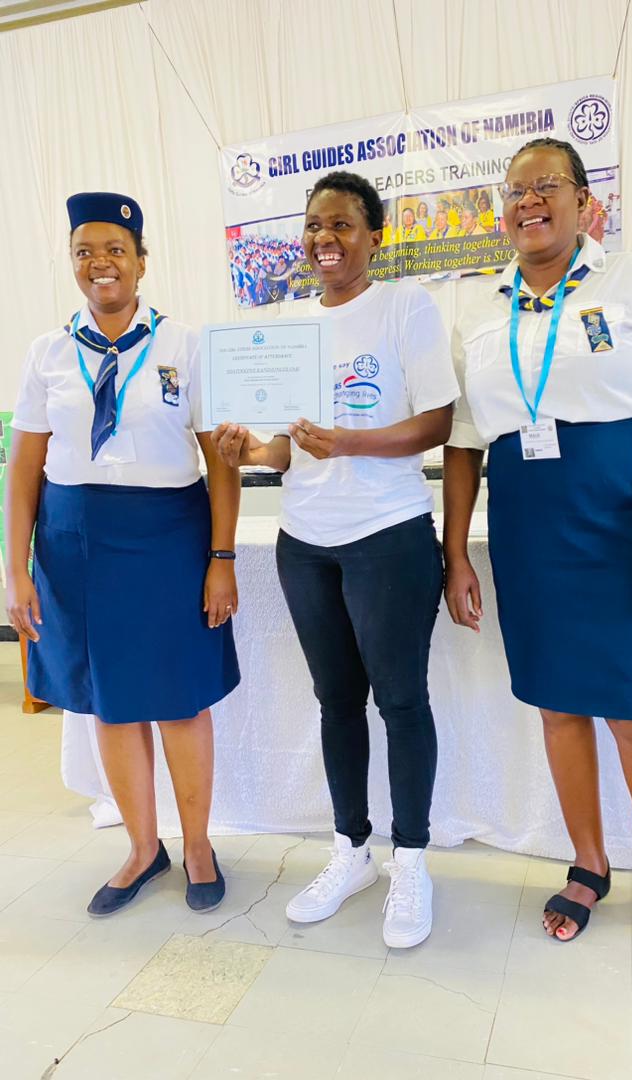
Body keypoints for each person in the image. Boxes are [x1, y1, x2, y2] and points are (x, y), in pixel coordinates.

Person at [443, 138, 632, 966]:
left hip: (624, 515)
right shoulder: (479, 307)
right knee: (559, 705)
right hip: (528, 526)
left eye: (547, 186)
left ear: (583, 201)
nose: (529, 201)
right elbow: (464, 440)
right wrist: (456, 553)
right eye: (516, 190)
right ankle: (589, 864)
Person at [213, 171, 459, 949]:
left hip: (387, 534)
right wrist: (252, 451)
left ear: (373, 237)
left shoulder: (406, 308)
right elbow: (288, 447)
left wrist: (350, 442)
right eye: (315, 226)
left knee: (402, 702)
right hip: (306, 543)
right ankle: (351, 850)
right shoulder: (290, 326)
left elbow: (437, 423)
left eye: (343, 225)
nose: (325, 238)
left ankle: (410, 860)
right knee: (336, 702)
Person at [6, 192, 240, 917]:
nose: (99, 263)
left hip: (169, 538)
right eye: (84, 251)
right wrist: (16, 569)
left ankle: (196, 845)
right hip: (75, 544)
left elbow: (221, 460)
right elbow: (24, 468)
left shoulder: (184, 346)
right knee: (108, 705)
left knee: (178, 699)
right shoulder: (48, 353)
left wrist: (222, 557)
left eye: (114, 249)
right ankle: (143, 847)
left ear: (142, 261)